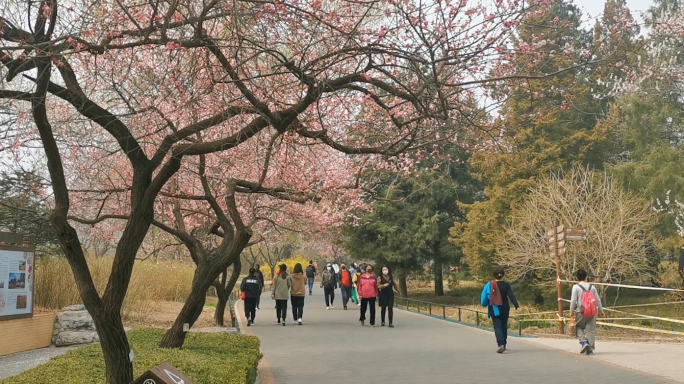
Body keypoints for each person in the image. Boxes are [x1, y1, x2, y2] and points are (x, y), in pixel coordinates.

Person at [480, 266, 519, 353]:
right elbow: (511, 295)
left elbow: (484, 298)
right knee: (504, 326)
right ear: (503, 275)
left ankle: (501, 344)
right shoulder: (506, 285)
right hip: (505, 307)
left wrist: (484, 304)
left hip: (494, 308)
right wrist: (516, 305)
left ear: (494, 275)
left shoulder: (489, 284)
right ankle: (504, 344)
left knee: (497, 326)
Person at [570, 269, 605, 355]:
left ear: (577, 278)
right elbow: (597, 300)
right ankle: (590, 350)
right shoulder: (592, 287)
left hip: (581, 311)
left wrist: (571, 311)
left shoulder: (576, 287)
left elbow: (573, 300)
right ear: (586, 277)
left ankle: (583, 342)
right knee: (591, 330)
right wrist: (601, 310)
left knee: (578, 327)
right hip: (593, 312)